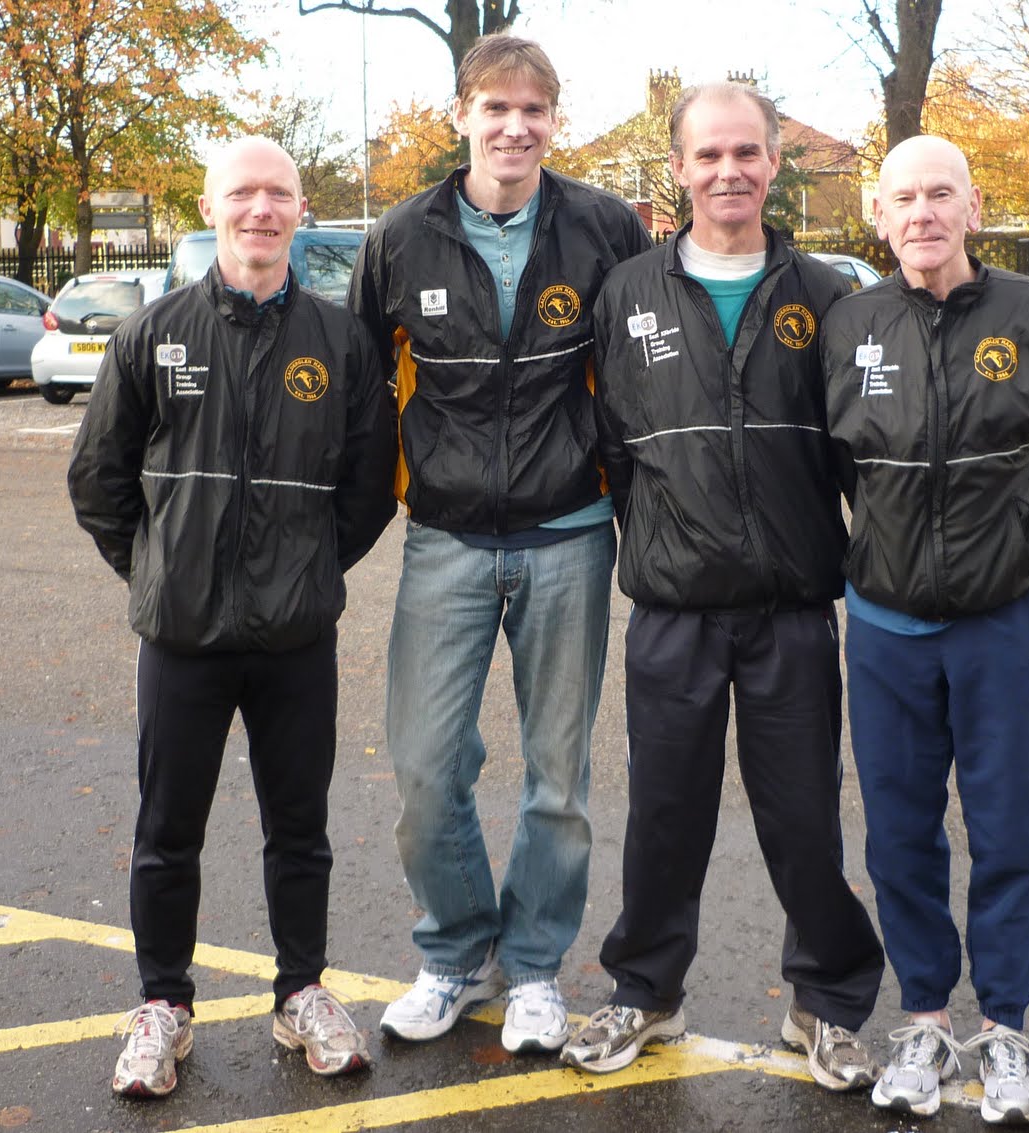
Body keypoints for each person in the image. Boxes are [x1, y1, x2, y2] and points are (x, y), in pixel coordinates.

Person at [559, 81, 885, 1088]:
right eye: (708, 156)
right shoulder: (628, 294)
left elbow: (860, 452)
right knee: (664, 813)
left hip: (790, 608)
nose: (727, 171)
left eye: (746, 152)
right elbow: (610, 443)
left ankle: (824, 1003)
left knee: (803, 818)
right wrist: (659, 539)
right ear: (678, 168)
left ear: (774, 161)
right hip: (671, 610)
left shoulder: (827, 293)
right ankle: (644, 993)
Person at [68, 136, 397, 1098]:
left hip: (297, 638)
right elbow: (99, 479)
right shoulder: (154, 333)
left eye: (280, 194)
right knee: (169, 826)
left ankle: (302, 993)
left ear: (300, 210)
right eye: (243, 193)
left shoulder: (341, 343)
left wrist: (305, 569)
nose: (262, 209)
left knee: (301, 827)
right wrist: (161, 572)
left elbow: (370, 488)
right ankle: (163, 1005)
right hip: (184, 637)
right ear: (212, 208)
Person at [348, 33, 651, 1055]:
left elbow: (649, 375)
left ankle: (531, 969)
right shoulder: (401, 238)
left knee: (556, 778)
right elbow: (360, 394)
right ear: (461, 117)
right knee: (430, 764)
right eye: (494, 108)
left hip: (571, 534)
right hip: (445, 538)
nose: (514, 126)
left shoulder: (605, 226)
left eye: (533, 110)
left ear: (552, 122)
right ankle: (452, 953)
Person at [819, 134, 1029, 1125]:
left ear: (972, 208)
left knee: (1009, 826)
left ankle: (1004, 1026)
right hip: (885, 627)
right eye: (904, 198)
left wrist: (1011, 560)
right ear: (879, 215)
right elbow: (834, 471)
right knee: (899, 832)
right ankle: (927, 1018)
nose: (923, 213)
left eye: (941, 194)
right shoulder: (848, 324)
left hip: (1002, 623)